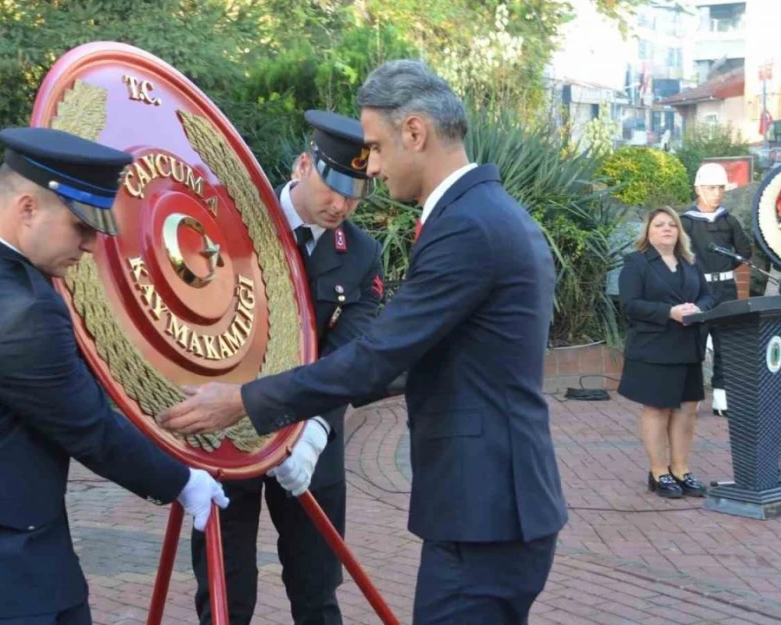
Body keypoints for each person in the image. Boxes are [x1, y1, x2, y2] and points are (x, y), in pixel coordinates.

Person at [158, 60, 567, 625]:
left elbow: (377, 355)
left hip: (485, 509)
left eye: (375, 147)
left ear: (415, 133)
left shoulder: (466, 226)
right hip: (489, 504)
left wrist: (243, 402)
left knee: (318, 590)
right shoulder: (484, 213)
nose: (371, 167)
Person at [0, 126, 229, 625]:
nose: (91, 245)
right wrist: (181, 481)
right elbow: (88, 427)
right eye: (81, 227)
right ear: (27, 208)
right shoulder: (16, 309)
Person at [189, 110, 384, 625]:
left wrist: (316, 428)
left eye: (355, 193)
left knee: (317, 592)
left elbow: (351, 353)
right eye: (334, 186)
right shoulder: (233, 221)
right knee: (225, 598)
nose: (342, 204)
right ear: (303, 164)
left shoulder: (362, 254)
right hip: (228, 438)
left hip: (310, 446)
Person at [617, 207, 714, 499]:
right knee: (657, 409)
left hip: (687, 345)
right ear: (648, 231)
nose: (667, 229)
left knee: (687, 409)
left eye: (672, 225)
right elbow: (630, 304)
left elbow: (708, 295)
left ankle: (681, 469)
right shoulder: (636, 263)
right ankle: (659, 471)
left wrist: (700, 309)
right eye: (659, 225)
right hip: (654, 347)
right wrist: (668, 312)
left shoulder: (690, 262)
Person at [679, 163, 751, 417]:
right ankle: (692, 396)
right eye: (711, 187)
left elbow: (744, 251)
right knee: (694, 343)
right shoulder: (685, 222)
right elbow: (679, 256)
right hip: (698, 290)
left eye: (721, 187)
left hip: (726, 288)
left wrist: (723, 266)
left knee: (726, 343)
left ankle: (721, 398)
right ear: (699, 188)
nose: (717, 193)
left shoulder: (728, 220)